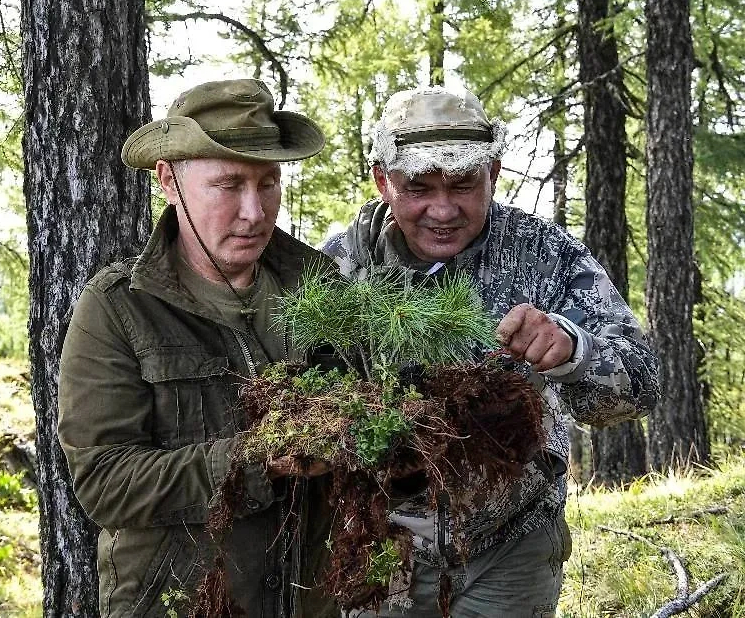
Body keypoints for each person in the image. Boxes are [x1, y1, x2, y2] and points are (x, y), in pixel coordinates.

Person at [323, 85, 660, 618]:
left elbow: (641, 385)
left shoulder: (544, 255)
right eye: (418, 187)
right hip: (377, 547)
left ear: (494, 174)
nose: (443, 208)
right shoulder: (338, 269)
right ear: (383, 181)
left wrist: (575, 350)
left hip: (510, 551)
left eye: (462, 185)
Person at [58, 78, 338, 617]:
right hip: (179, 602)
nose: (255, 212)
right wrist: (254, 462)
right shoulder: (119, 308)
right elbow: (104, 483)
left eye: (268, 183)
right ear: (169, 180)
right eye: (229, 185)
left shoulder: (319, 286)